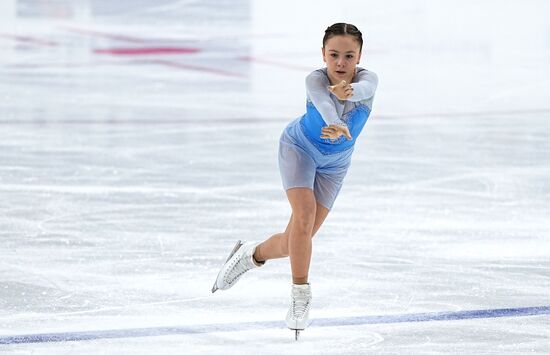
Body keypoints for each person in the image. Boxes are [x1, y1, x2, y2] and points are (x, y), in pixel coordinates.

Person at [212, 23, 378, 339]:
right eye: (333, 55)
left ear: (359, 56)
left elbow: (366, 89)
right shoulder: (314, 80)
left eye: (348, 56)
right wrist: (336, 123)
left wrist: (349, 91)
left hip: (335, 165)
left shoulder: (368, 80)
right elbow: (326, 105)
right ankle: (300, 296)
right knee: (303, 220)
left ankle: (251, 254)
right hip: (299, 149)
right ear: (323, 54)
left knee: (295, 242)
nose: (340, 63)